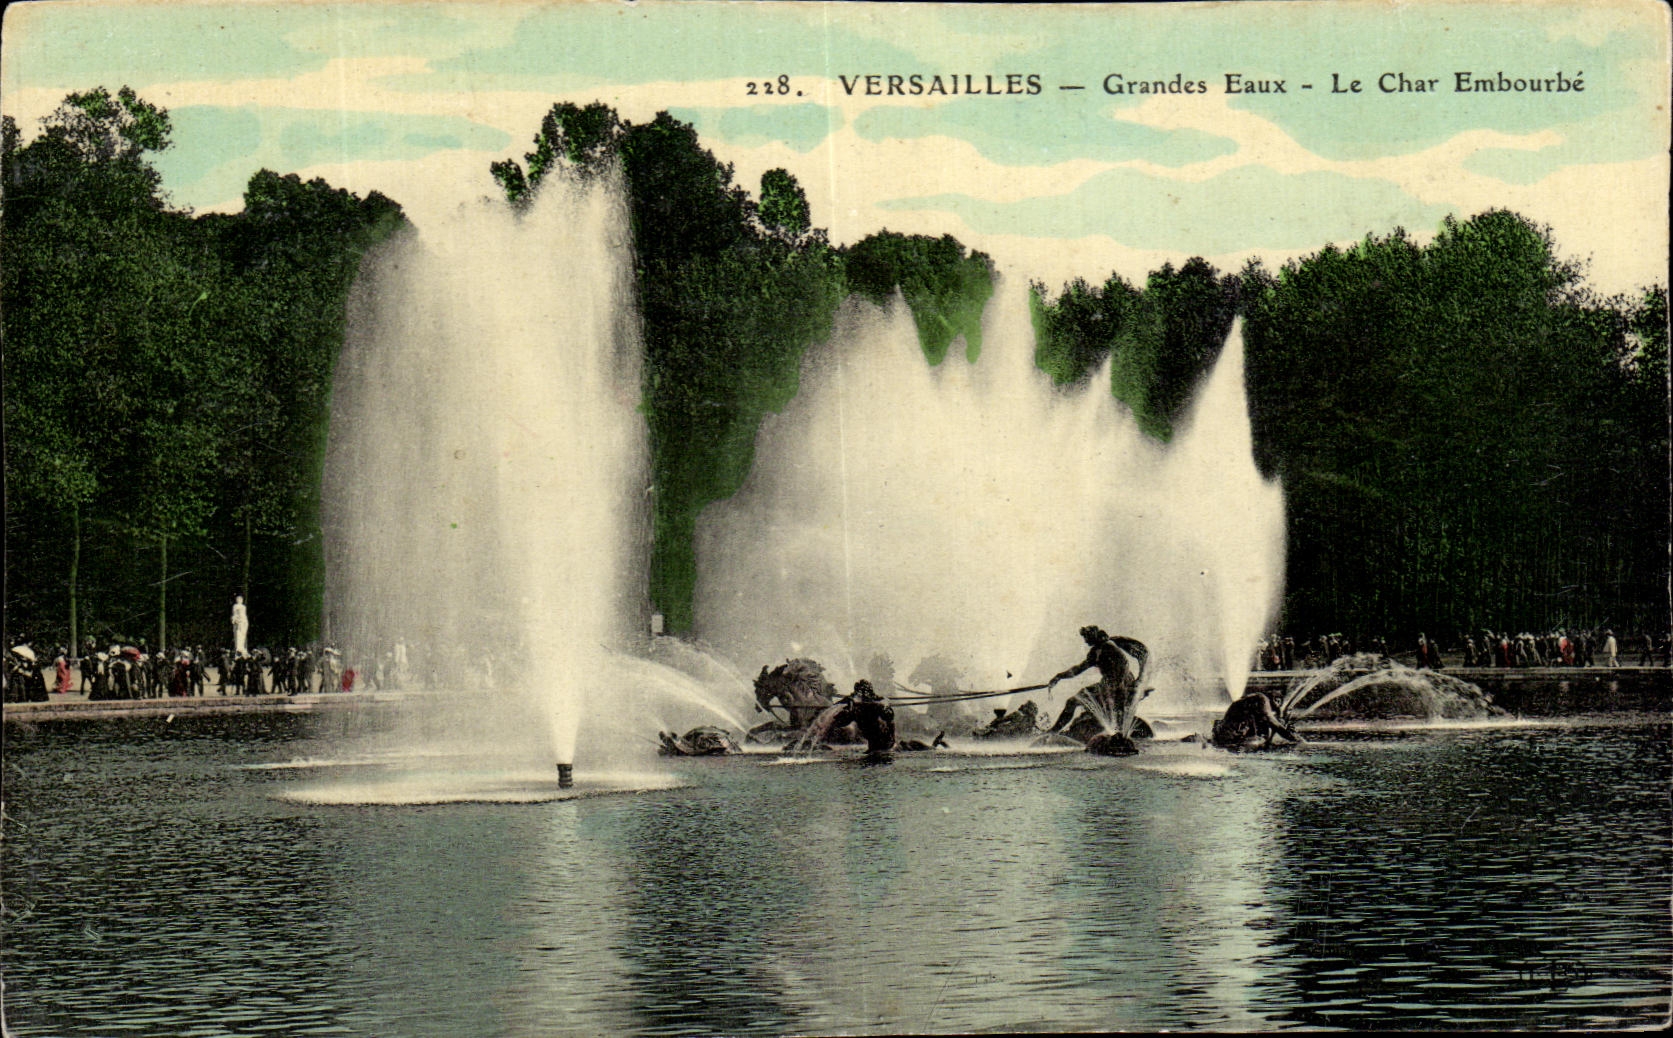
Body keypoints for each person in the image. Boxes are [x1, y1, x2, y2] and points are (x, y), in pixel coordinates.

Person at [1047, 626, 1143, 736]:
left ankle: (1053, 732)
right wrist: (1059, 676)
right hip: (1109, 685)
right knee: (1073, 702)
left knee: (1073, 702)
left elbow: (1123, 667)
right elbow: (1078, 669)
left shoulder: (1108, 647)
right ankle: (1055, 731)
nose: (1085, 641)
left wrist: (1115, 689)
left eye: (1086, 637)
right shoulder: (1096, 651)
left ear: (1094, 635)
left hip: (1118, 686)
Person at [1211, 689, 1305, 749]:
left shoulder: (1254, 701)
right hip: (1229, 734)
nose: (1276, 708)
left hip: (1225, 733)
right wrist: (1293, 738)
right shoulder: (1262, 699)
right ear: (1275, 699)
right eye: (1278, 703)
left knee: (1261, 739)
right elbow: (1271, 721)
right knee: (1259, 742)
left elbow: (1265, 728)